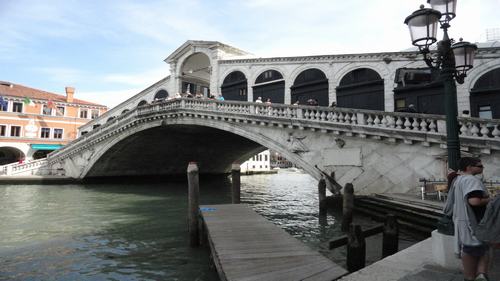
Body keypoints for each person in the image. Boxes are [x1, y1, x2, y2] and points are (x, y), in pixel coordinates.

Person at [450, 157, 491, 281]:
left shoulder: (459, 179)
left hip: (464, 220)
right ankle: (476, 275)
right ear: (469, 167)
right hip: (473, 221)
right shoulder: (471, 180)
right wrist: (491, 200)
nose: (482, 168)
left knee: (476, 247)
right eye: (479, 166)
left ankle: (478, 275)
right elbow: (474, 201)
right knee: (474, 247)